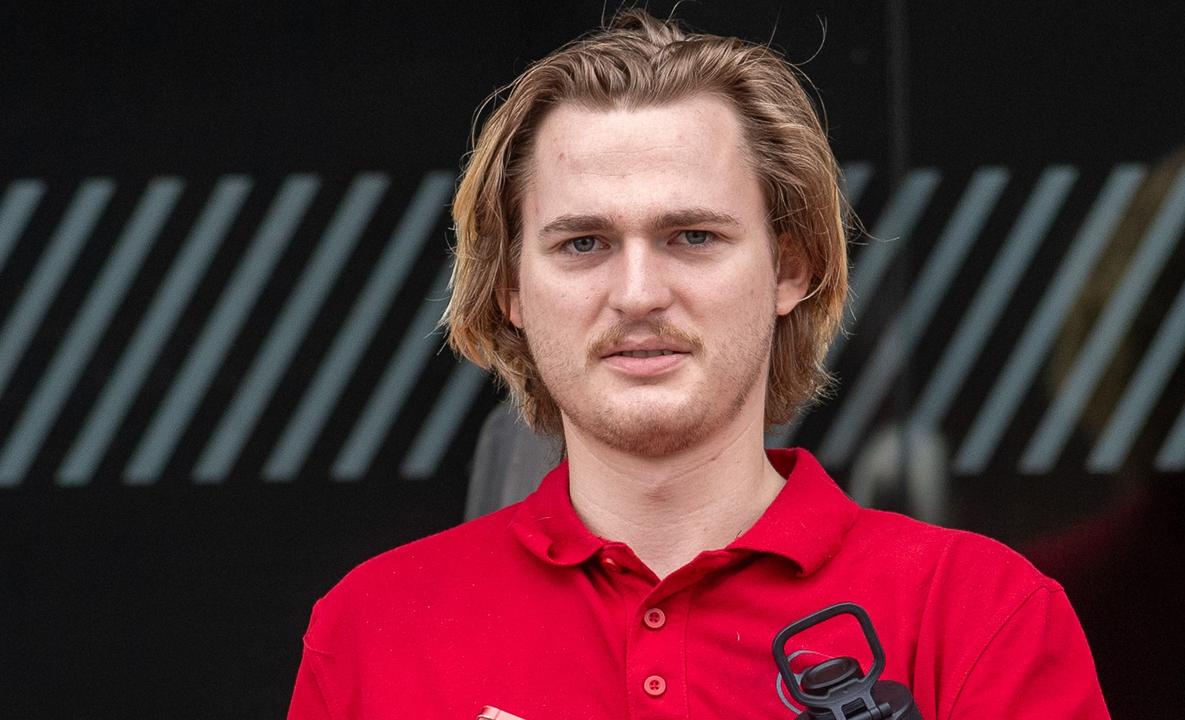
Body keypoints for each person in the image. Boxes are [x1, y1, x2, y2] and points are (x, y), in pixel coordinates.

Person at [287, 10, 1109, 719]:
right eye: (584, 243)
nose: (639, 292)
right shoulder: (370, 633)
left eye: (693, 237)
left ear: (793, 266)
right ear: (509, 288)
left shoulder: (981, 617)